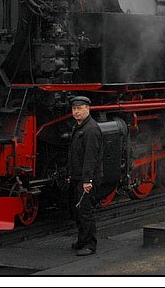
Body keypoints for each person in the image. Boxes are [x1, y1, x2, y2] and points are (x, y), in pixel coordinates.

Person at [66, 95, 103, 256]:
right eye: (74, 109)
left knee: (86, 211)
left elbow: (90, 157)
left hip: (87, 178)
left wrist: (87, 180)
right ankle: (82, 240)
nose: (76, 112)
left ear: (88, 108)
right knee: (78, 210)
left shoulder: (91, 129)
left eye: (79, 109)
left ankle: (89, 244)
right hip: (77, 176)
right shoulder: (79, 127)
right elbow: (73, 154)